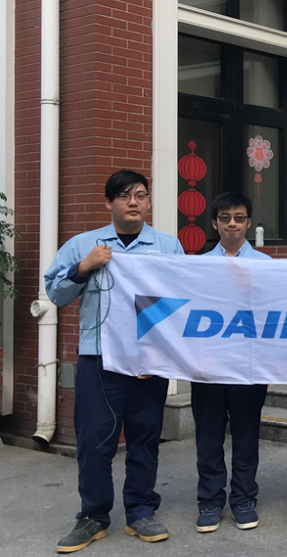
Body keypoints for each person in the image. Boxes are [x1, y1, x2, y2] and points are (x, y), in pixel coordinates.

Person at [45, 169, 184, 553]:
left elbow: (181, 302)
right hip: (98, 358)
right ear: (109, 202)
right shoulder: (83, 245)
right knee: (95, 440)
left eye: (140, 195)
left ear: (149, 201)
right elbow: (56, 294)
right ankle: (93, 515)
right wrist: (83, 268)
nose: (133, 202)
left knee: (144, 438)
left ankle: (141, 511)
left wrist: (162, 353)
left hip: (147, 360)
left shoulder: (168, 247)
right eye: (124, 196)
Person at [193, 192, 272, 533]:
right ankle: (210, 500)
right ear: (214, 223)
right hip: (207, 367)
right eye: (225, 218)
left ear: (249, 222)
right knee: (208, 438)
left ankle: (243, 498)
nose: (232, 224)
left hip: (249, 366)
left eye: (239, 218)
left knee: (246, 436)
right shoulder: (196, 266)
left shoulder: (266, 266)